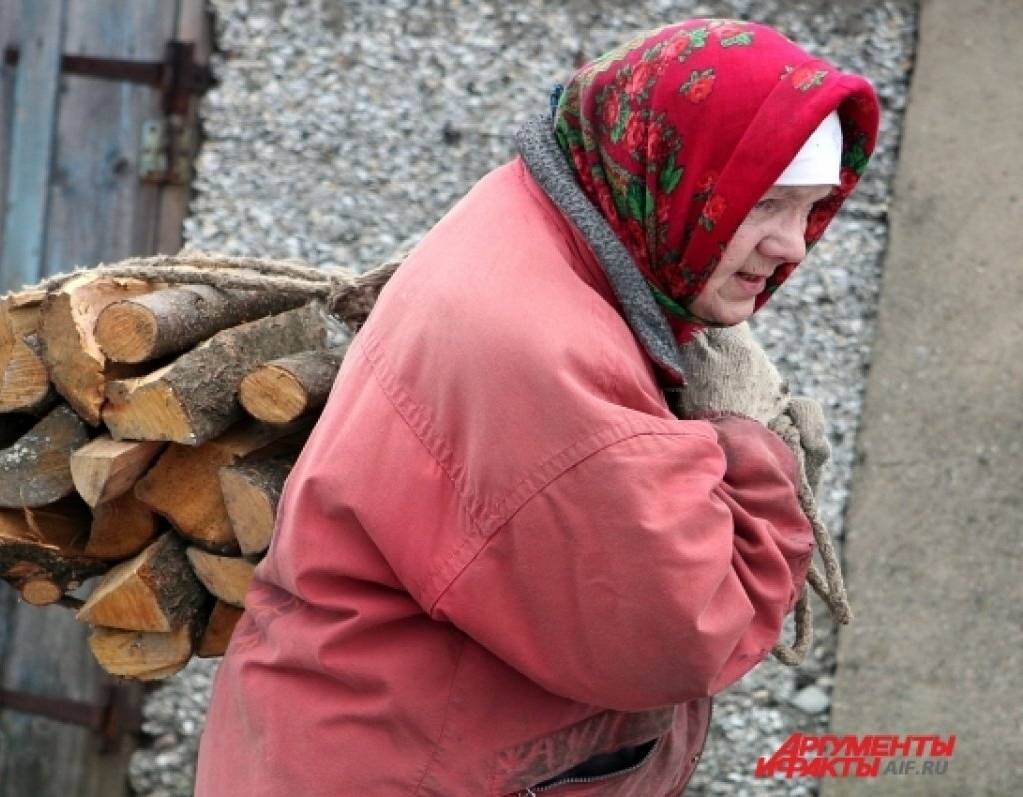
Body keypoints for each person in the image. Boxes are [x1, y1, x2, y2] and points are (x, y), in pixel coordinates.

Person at [195, 18, 879, 796]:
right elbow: (681, 634)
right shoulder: (552, 360)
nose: (794, 244)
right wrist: (753, 445)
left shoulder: (554, 213)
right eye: (768, 203)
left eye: (812, 208)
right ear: (677, 169)